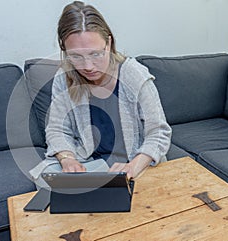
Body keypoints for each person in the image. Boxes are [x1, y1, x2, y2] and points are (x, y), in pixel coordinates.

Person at [30, 1, 171, 188]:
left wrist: (133, 167)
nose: (87, 66)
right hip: (89, 163)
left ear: (109, 43)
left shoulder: (134, 75)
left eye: (95, 54)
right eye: (76, 56)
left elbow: (159, 132)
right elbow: (57, 129)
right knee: (44, 178)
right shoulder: (63, 78)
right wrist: (67, 159)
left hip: (136, 163)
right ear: (64, 50)